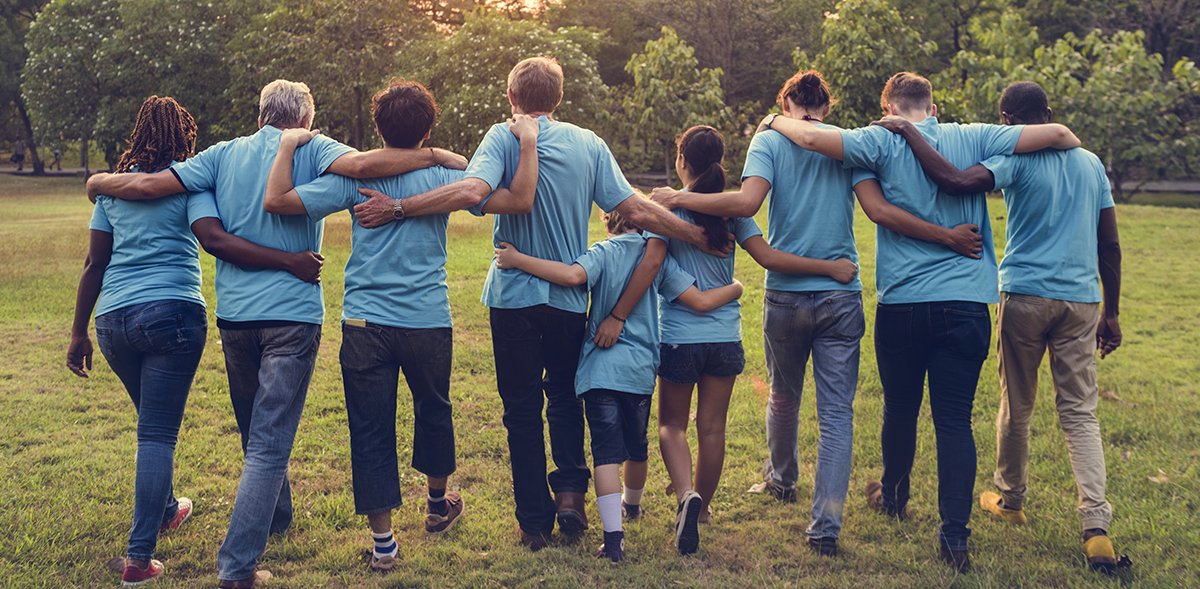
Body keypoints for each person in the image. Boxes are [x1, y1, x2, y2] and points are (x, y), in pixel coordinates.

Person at [84, 80, 465, 589]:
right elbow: (366, 167)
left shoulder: (220, 155)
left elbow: (150, 188)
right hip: (292, 314)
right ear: (305, 117)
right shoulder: (313, 145)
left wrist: (99, 182)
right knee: (268, 446)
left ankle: (277, 515)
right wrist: (435, 155)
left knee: (253, 435)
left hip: (236, 318)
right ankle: (237, 568)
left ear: (261, 113)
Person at [351, 57, 731, 550]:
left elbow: (471, 189)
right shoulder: (588, 143)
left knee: (522, 409)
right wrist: (696, 236)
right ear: (558, 98)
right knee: (566, 400)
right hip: (570, 297)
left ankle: (534, 520)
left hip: (512, 296)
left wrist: (399, 207)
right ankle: (571, 494)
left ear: (512, 98)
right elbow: (633, 208)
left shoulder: (502, 137)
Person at [648, 71, 987, 558]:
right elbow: (874, 208)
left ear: (784, 102)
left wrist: (677, 198)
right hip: (839, 295)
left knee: (783, 397)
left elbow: (746, 203)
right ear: (826, 108)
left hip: (785, 294)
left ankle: (782, 479)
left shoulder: (769, 141)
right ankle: (825, 525)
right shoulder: (846, 144)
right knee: (836, 415)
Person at [759, 71, 1082, 571]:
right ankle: (954, 536)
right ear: (932, 107)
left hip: (904, 302)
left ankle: (893, 494)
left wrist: (773, 119)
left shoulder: (877, 141)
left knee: (900, 407)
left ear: (889, 107)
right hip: (967, 304)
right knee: (954, 420)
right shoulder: (974, 135)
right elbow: (1061, 135)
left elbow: (813, 140)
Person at [260, 79, 541, 572]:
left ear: (378, 127)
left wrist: (286, 151)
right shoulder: (445, 178)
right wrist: (450, 158)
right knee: (434, 410)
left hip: (365, 321)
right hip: (427, 318)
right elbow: (506, 195)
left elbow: (280, 200)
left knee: (370, 427)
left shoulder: (356, 178)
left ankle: (384, 544)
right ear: (428, 126)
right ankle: (436, 506)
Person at [65, 96, 325, 587]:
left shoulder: (114, 190)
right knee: (157, 434)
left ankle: (166, 507)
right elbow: (213, 238)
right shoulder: (193, 179)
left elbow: (94, 263)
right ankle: (138, 559)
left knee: (152, 423)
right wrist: (289, 260)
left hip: (114, 321)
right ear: (184, 135)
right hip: (172, 317)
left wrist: (79, 331)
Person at [872, 81, 1125, 574]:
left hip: (1025, 293)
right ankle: (1096, 526)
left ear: (1007, 120)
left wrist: (905, 129)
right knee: (1080, 413)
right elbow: (1109, 245)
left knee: (1018, 402)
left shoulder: (1016, 161)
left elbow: (956, 181)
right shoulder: (1091, 163)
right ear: (1048, 113)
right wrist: (1111, 312)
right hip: (1082, 301)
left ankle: (1010, 499)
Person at [620, 123, 855, 556]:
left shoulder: (668, 211)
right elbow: (767, 257)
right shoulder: (732, 213)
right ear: (721, 163)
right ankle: (703, 508)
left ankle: (685, 495)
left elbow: (652, 263)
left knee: (672, 424)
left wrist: (618, 313)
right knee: (712, 428)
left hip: (679, 338)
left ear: (682, 161)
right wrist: (830, 268)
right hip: (725, 339)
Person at [493, 208, 743, 563]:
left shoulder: (603, 252)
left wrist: (517, 258)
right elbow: (700, 301)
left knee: (606, 455)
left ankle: (613, 541)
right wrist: (736, 287)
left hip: (599, 372)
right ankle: (633, 506)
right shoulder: (658, 259)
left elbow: (569, 275)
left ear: (610, 222)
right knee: (636, 449)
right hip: (639, 373)